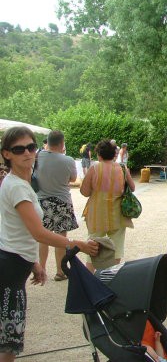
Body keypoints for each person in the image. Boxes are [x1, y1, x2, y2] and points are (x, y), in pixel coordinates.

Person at [0, 126, 98, 361]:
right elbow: (38, 232)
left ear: (38, 148)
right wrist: (76, 243)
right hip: (9, 270)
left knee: (8, 340)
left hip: (15, 265)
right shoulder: (16, 186)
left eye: (31, 147)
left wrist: (34, 261)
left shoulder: (20, 183)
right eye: (19, 149)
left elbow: (13, 229)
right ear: (7, 154)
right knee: (8, 342)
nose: (27, 152)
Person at [80, 139, 136, 271]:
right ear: (114, 154)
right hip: (117, 213)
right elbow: (132, 187)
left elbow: (85, 192)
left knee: (93, 246)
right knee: (116, 247)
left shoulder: (94, 168)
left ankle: (89, 279)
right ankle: (110, 278)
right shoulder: (122, 168)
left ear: (99, 154)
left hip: (97, 213)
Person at [35, 130, 79, 282]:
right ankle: (60, 271)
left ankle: (41, 267)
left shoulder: (37, 156)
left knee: (43, 237)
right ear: (62, 143)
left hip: (42, 202)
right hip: (62, 201)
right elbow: (73, 179)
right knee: (61, 237)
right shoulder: (68, 160)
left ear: (47, 142)